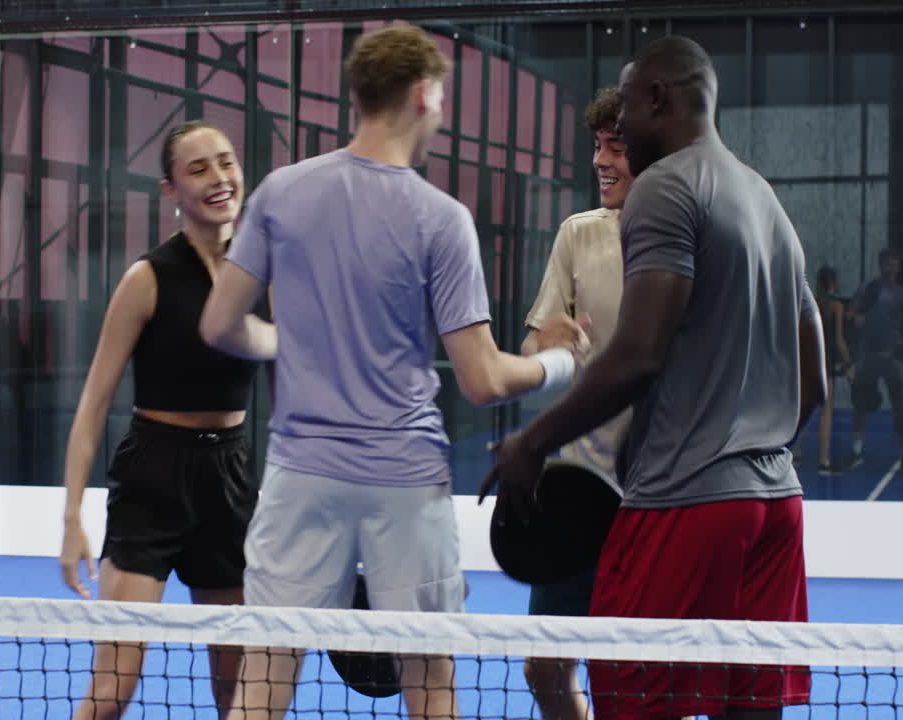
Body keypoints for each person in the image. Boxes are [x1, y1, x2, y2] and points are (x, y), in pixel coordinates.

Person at [199, 24, 587, 720]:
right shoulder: (442, 220)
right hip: (405, 483)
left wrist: (291, 341)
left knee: (266, 673)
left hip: (301, 477)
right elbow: (482, 380)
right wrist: (561, 363)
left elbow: (220, 326)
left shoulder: (280, 193)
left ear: (357, 96)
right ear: (425, 95)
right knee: (429, 676)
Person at [481, 35, 824, 720]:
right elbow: (814, 378)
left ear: (657, 99)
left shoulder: (665, 186)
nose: (619, 134)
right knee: (749, 707)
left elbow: (639, 354)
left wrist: (532, 442)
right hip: (776, 502)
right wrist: (750, 449)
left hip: (685, 500)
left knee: (632, 700)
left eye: (628, 110)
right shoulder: (761, 197)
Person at [58, 121, 267, 720]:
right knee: (112, 691)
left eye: (225, 162)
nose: (219, 178)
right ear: (170, 189)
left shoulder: (263, 275)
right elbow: (93, 404)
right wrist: (72, 518)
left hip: (230, 478)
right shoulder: (146, 279)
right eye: (198, 169)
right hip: (152, 479)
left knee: (238, 691)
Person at [517, 86, 635, 720]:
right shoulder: (577, 234)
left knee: (638, 673)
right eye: (597, 146)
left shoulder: (695, 238)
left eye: (616, 147)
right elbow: (536, 347)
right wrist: (549, 345)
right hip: (577, 492)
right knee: (544, 667)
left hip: (655, 499)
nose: (600, 161)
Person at [846, 248, 903, 471]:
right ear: (880, 264)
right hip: (868, 355)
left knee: (899, 406)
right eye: (887, 263)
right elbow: (851, 315)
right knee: (860, 405)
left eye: (894, 264)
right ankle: (856, 451)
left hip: (893, 357)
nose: (891, 268)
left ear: (899, 267)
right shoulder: (866, 289)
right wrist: (855, 319)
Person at [815, 265, 853, 476]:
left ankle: (795, 456)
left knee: (800, 411)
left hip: (806, 360)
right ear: (834, 283)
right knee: (826, 412)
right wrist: (848, 364)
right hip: (825, 362)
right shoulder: (836, 306)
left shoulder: (811, 302)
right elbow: (839, 341)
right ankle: (823, 461)